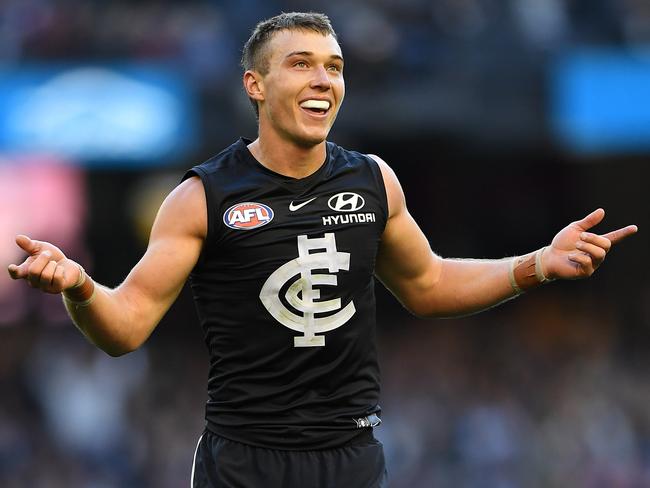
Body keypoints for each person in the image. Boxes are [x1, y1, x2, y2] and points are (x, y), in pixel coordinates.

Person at [7, 12, 638, 488]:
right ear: (255, 85)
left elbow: (428, 285)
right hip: (245, 461)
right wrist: (80, 288)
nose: (324, 79)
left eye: (334, 66)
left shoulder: (372, 180)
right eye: (302, 63)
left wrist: (535, 266)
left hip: (350, 457)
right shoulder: (201, 198)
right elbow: (125, 330)